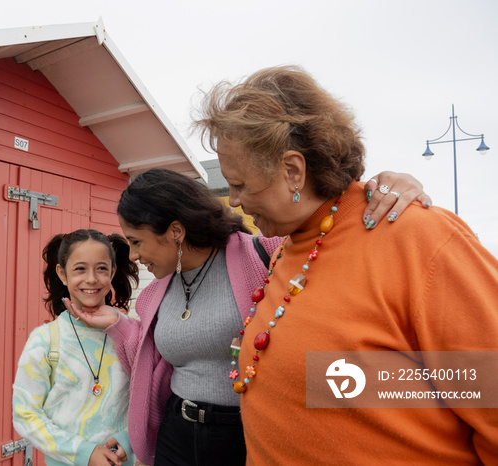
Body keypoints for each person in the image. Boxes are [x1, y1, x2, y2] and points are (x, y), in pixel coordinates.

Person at [193, 65, 498, 464]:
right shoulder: (290, 244)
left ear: (292, 171)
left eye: (240, 185)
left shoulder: (419, 239)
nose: (232, 200)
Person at [68, 165, 431, 465]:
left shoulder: (266, 257)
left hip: (247, 436)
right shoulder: (153, 296)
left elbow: (338, 232)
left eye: (136, 241)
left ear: (176, 231)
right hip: (175, 435)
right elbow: (152, 362)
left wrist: (394, 183)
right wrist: (115, 324)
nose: (133, 256)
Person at [13, 229, 139, 466]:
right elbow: (25, 414)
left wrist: (129, 439)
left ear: (112, 271)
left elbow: (150, 397)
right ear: (62, 274)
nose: (91, 279)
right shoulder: (45, 340)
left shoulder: (131, 333)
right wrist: (85, 453)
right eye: (80, 269)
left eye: (101, 268)